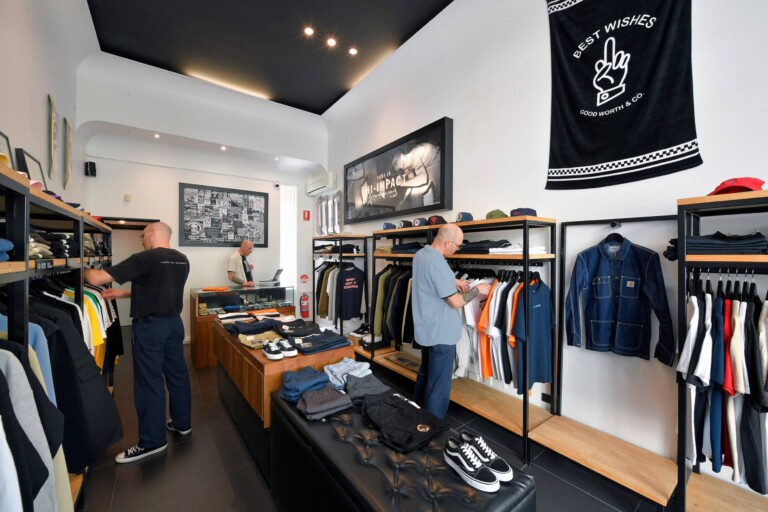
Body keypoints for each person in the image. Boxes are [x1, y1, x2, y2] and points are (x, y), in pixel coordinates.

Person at [84, 221, 192, 463]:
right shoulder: (182, 259)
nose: (141, 241)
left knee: (149, 381)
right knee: (178, 375)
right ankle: (182, 423)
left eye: (142, 236)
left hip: (150, 328)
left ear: (152, 233)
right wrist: (124, 293)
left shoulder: (146, 258)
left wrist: (78, 265)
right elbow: (160, 289)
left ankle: (152, 441)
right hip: (174, 325)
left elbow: (96, 277)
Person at [412, 224, 491, 418]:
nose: (457, 249)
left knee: (425, 375)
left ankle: (417, 418)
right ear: (448, 242)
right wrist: (477, 290)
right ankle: (432, 426)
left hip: (425, 329)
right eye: (457, 245)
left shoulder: (421, 255)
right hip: (441, 333)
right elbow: (455, 302)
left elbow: (428, 278)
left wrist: (453, 281)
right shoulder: (438, 264)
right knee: (439, 385)